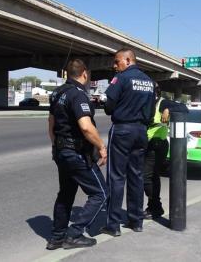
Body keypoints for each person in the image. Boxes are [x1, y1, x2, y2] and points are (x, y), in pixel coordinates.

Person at [47, 59, 108, 250]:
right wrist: (101, 147)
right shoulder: (79, 94)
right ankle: (74, 234)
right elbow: (86, 127)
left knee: (66, 194)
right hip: (76, 153)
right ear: (84, 74)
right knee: (100, 193)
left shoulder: (58, 93)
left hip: (61, 151)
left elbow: (51, 123)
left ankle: (57, 237)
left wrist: (58, 147)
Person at [100, 48, 155, 237]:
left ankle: (113, 225)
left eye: (117, 62)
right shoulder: (149, 81)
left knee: (116, 177)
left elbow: (108, 105)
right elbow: (150, 111)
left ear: (128, 60)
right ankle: (136, 220)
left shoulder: (121, 78)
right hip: (141, 131)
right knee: (136, 176)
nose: (114, 66)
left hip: (123, 130)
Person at [143, 83, 188, 219]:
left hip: (157, 145)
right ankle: (154, 207)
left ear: (155, 92)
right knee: (151, 177)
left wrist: (168, 109)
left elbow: (184, 108)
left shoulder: (162, 103)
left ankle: (156, 207)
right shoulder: (145, 102)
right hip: (146, 145)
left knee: (147, 177)